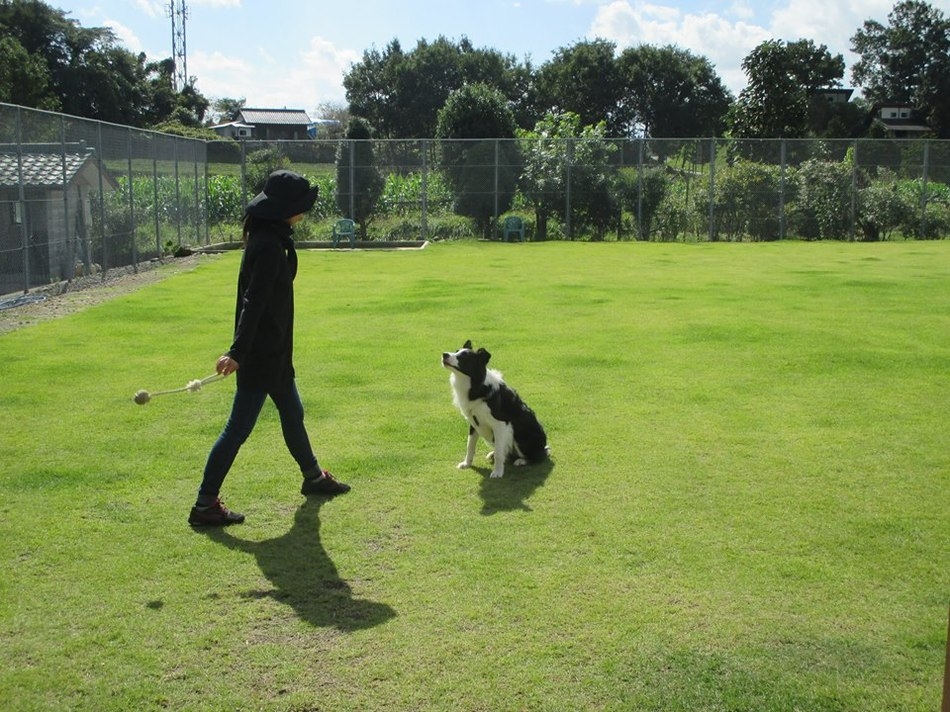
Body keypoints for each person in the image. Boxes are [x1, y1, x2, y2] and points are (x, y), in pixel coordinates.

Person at [189, 170, 350, 527]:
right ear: (284, 210)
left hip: (276, 354)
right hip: (262, 358)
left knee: (293, 414)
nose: (303, 213)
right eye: (300, 207)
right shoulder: (267, 245)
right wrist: (237, 352)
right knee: (237, 429)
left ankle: (313, 477)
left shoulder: (271, 238)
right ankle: (204, 504)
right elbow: (254, 301)